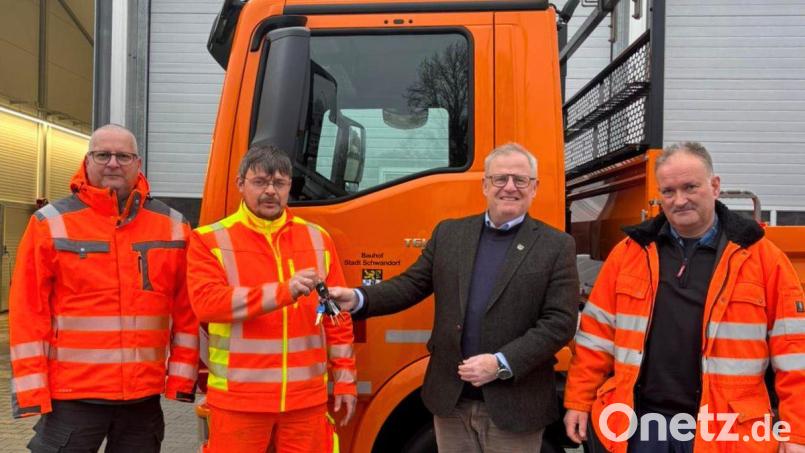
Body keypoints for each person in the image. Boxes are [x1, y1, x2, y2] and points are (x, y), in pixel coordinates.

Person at [329, 142, 579, 452]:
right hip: (452, 402)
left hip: (516, 406)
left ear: (535, 187)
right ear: (485, 185)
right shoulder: (449, 234)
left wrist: (501, 363)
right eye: (500, 178)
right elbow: (412, 284)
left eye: (520, 179)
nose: (510, 187)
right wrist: (358, 299)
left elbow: (560, 322)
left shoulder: (557, 246)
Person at [563, 142, 805, 453]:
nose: (680, 200)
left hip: (726, 430)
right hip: (641, 425)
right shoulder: (629, 254)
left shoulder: (762, 259)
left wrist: (796, 432)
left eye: (690, 187)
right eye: (668, 191)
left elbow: (794, 353)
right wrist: (579, 402)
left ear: (715, 186)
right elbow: (596, 339)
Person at [9, 124, 199, 452]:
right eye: (103, 154)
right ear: (87, 160)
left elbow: (188, 310)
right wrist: (31, 392)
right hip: (73, 398)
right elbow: (28, 312)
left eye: (123, 156)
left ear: (138, 163)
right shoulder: (49, 224)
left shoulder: (174, 227)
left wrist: (181, 380)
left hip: (142, 400)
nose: (113, 163)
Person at [187, 144, 357, 452]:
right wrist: (284, 291)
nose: (270, 191)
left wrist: (345, 381)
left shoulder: (318, 239)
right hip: (240, 402)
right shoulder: (209, 239)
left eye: (279, 183)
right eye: (260, 182)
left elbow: (337, 318)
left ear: (290, 186)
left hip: (305, 402)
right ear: (240, 184)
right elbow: (208, 304)